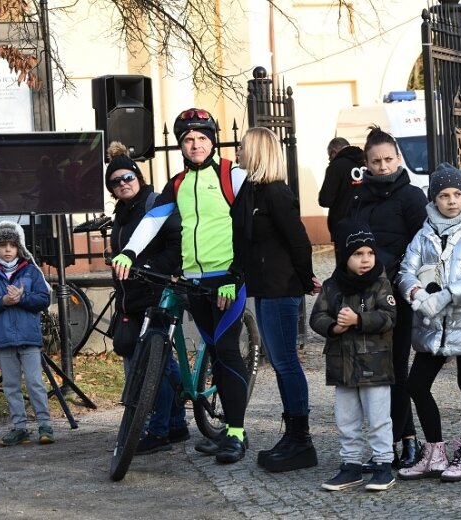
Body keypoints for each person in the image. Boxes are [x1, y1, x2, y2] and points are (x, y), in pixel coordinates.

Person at [112, 108, 250, 464]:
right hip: (194, 281)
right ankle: (221, 432)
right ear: (181, 145)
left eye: (202, 138)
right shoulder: (177, 184)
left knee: (229, 352)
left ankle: (236, 433)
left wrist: (236, 275)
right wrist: (128, 251)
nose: (195, 144)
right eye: (188, 139)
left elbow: (249, 230)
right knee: (215, 353)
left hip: (226, 280)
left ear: (212, 140)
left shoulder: (232, 176)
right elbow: (152, 220)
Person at [395, 163, 461, 482]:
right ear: (433, 199)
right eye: (443, 195)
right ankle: (435, 451)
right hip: (433, 324)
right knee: (416, 385)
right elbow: (405, 270)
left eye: (457, 194)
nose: (451, 200)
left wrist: (446, 295)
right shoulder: (424, 234)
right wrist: (416, 293)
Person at [233, 126, 321, 473]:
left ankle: (301, 439)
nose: (237, 153)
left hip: (282, 289)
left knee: (286, 363)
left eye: (242, 148)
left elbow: (299, 240)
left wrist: (306, 277)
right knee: (280, 362)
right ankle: (293, 435)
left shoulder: (277, 194)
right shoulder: (253, 193)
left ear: (256, 152)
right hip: (266, 289)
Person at [348, 125, 428, 470]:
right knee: (375, 372)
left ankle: (409, 439)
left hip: (397, 294)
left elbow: (423, 247)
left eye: (388, 160)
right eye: (376, 161)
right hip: (366, 297)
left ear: (398, 159)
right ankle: (385, 444)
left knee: (397, 370)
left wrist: (394, 273)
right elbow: (350, 243)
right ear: (367, 162)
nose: (382, 167)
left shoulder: (411, 197)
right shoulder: (359, 197)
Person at [105, 141, 188, 455]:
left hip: (157, 293)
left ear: (139, 177)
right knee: (162, 363)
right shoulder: (123, 213)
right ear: (111, 189)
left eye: (128, 177)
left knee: (157, 365)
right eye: (116, 181)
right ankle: (177, 422)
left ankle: (160, 430)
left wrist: (151, 267)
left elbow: (175, 244)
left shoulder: (155, 205)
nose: (123, 183)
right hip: (132, 298)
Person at [310, 219, 397, 492]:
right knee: (346, 419)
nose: (365, 259)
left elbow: (389, 316)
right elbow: (317, 317)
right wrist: (334, 327)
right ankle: (350, 466)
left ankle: (383, 465)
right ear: (344, 256)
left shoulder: (381, 284)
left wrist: (359, 320)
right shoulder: (331, 285)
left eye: (369, 253)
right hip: (342, 365)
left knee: (378, 417)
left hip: (375, 364)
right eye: (358, 254)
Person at [0, 221, 53, 446]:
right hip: (2, 338)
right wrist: (2, 301)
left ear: (18, 248)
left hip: (29, 338)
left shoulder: (31, 271)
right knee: (12, 385)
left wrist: (22, 298)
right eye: (2, 245)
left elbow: (44, 299)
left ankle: (45, 424)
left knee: (35, 382)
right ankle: (19, 427)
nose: (7, 249)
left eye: (12, 245)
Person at [318, 137, 364, 242]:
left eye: (329, 156)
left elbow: (325, 200)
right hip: (367, 222)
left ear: (334, 152)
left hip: (343, 225)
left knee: (345, 257)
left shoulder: (336, 166)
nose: (329, 159)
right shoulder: (367, 161)